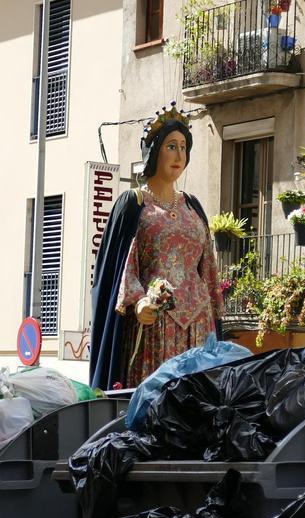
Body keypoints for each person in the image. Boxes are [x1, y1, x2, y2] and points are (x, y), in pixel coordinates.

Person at [89, 102, 223, 390]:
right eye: (171, 146)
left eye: (184, 147)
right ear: (155, 150)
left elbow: (207, 267)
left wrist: (214, 316)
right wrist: (138, 302)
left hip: (199, 325)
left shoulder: (192, 205)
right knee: (159, 402)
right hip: (157, 325)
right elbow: (121, 268)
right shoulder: (134, 203)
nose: (179, 154)